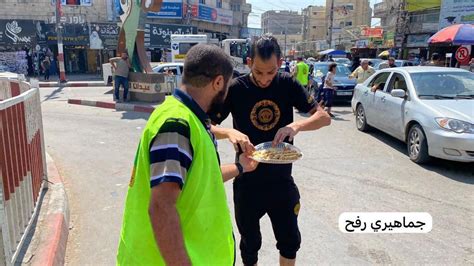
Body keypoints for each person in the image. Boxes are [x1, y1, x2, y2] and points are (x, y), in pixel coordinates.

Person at [116, 44, 259, 265]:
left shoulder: (186, 118)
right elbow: (161, 207)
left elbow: (200, 178)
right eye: (227, 86)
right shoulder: (177, 125)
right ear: (218, 82)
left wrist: (241, 166)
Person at [210, 35, 331, 266]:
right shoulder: (236, 88)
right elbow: (205, 124)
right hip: (247, 181)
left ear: (280, 63)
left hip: (281, 181)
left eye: (271, 72)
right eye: (258, 72)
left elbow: (323, 117)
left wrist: (297, 125)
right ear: (248, 63)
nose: (265, 79)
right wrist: (228, 133)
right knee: (249, 244)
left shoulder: (286, 83)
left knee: (290, 241)